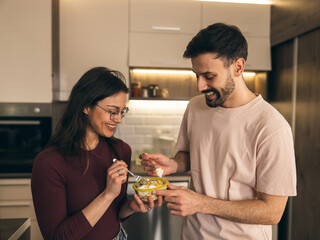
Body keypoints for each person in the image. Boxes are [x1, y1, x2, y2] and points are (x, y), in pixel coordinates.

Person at [140, 23, 297, 239]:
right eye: (196, 75)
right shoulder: (195, 107)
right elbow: (190, 156)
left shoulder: (272, 128)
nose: (200, 86)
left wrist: (201, 203)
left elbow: (272, 212)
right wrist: (175, 164)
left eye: (209, 76)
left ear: (238, 67)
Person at [31, 67, 162, 240]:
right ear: (86, 106)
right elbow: (57, 237)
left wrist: (132, 206)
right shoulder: (50, 163)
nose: (119, 119)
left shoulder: (121, 150)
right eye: (112, 111)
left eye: (122, 111)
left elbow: (114, 214)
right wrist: (107, 194)